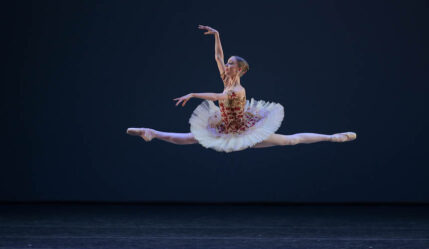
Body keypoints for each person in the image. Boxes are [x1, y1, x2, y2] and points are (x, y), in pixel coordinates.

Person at [127, 25, 357, 153]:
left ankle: (332, 137)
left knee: (290, 141)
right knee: (190, 138)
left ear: (240, 70)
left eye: (230, 65)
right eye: (226, 64)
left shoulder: (237, 90)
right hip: (226, 126)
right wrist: (217, 35)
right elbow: (217, 56)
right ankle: (150, 132)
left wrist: (194, 94)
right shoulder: (226, 79)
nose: (225, 66)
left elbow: (218, 97)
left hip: (243, 130)